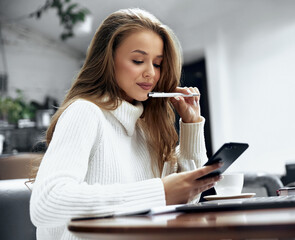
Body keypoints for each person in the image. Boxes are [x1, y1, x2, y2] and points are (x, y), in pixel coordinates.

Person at [29, 8, 222, 240]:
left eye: (158, 64)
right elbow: (46, 203)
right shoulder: (85, 112)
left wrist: (191, 125)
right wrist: (158, 191)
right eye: (138, 60)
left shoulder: (148, 127)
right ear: (108, 60)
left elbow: (188, 199)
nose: (151, 73)